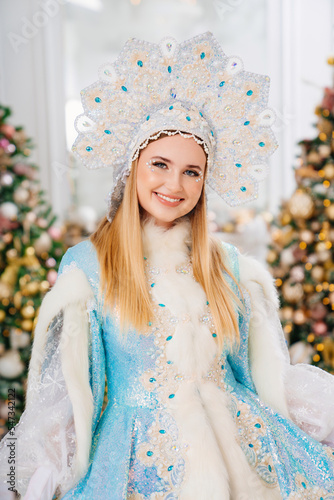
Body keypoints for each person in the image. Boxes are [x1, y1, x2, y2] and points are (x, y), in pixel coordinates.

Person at [1, 32, 334, 500]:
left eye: (192, 171)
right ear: (133, 166)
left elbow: (267, 377)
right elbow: (67, 395)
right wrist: (33, 475)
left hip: (248, 452)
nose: (174, 184)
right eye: (160, 163)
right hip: (139, 463)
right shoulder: (91, 267)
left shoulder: (230, 266)